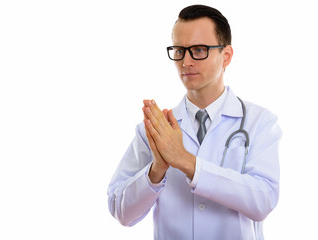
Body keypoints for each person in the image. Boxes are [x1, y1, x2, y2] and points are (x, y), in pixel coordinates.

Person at [107, 4, 282, 240]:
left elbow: (264, 200)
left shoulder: (259, 122)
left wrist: (187, 162)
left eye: (199, 50)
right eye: (179, 50)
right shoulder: (155, 129)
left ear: (226, 55)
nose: (186, 62)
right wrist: (156, 169)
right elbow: (121, 212)